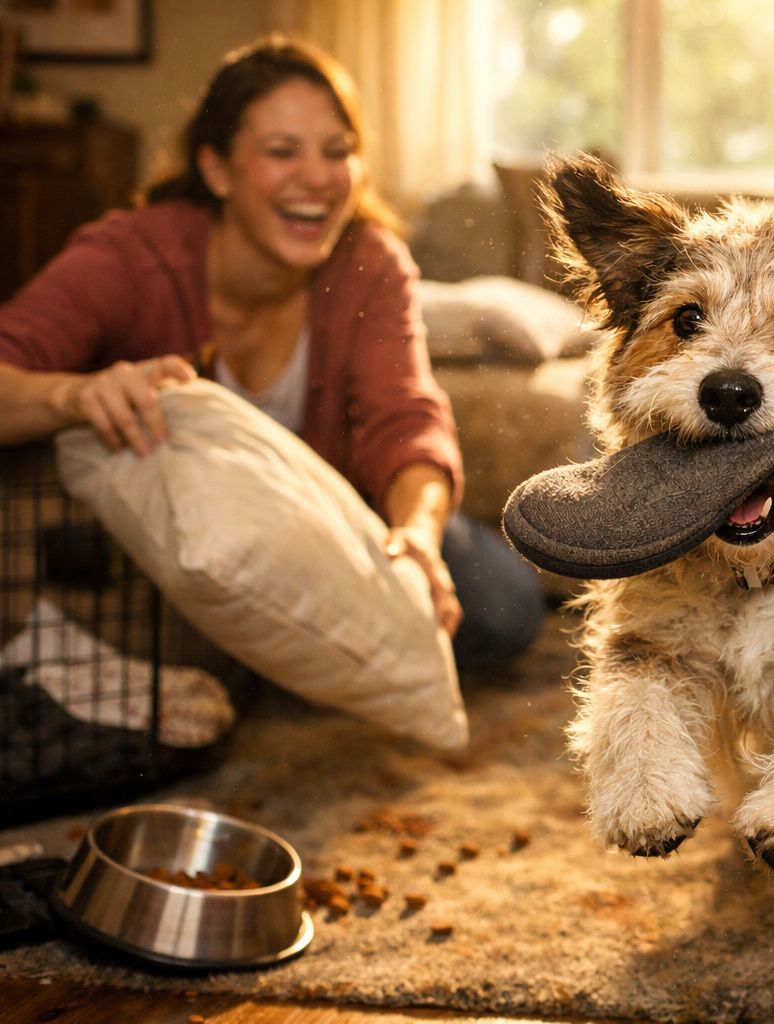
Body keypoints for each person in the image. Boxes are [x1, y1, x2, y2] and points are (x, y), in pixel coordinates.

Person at [0, 35, 546, 672]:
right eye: (282, 151)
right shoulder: (131, 255)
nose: (316, 176)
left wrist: (417, 536)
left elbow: (405, 420)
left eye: (337, 151)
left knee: (504, 605)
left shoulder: (369, 263)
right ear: (217, 170)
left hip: (332, 527)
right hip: (180, 539)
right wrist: (77, 393)